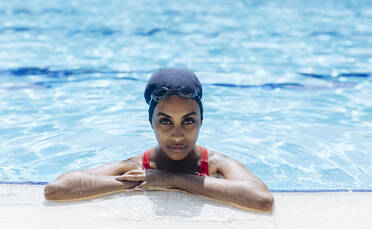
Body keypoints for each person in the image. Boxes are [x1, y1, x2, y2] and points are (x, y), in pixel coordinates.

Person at [44, 68, 274, 211]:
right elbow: (56, 189)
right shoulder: (137, 166)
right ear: (151, 122)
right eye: (165, 121)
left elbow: (262, 200)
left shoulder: (216, 163)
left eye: (188, 121)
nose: (177, 135)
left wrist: (170, 178)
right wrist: (148, 179)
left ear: (201, 120)